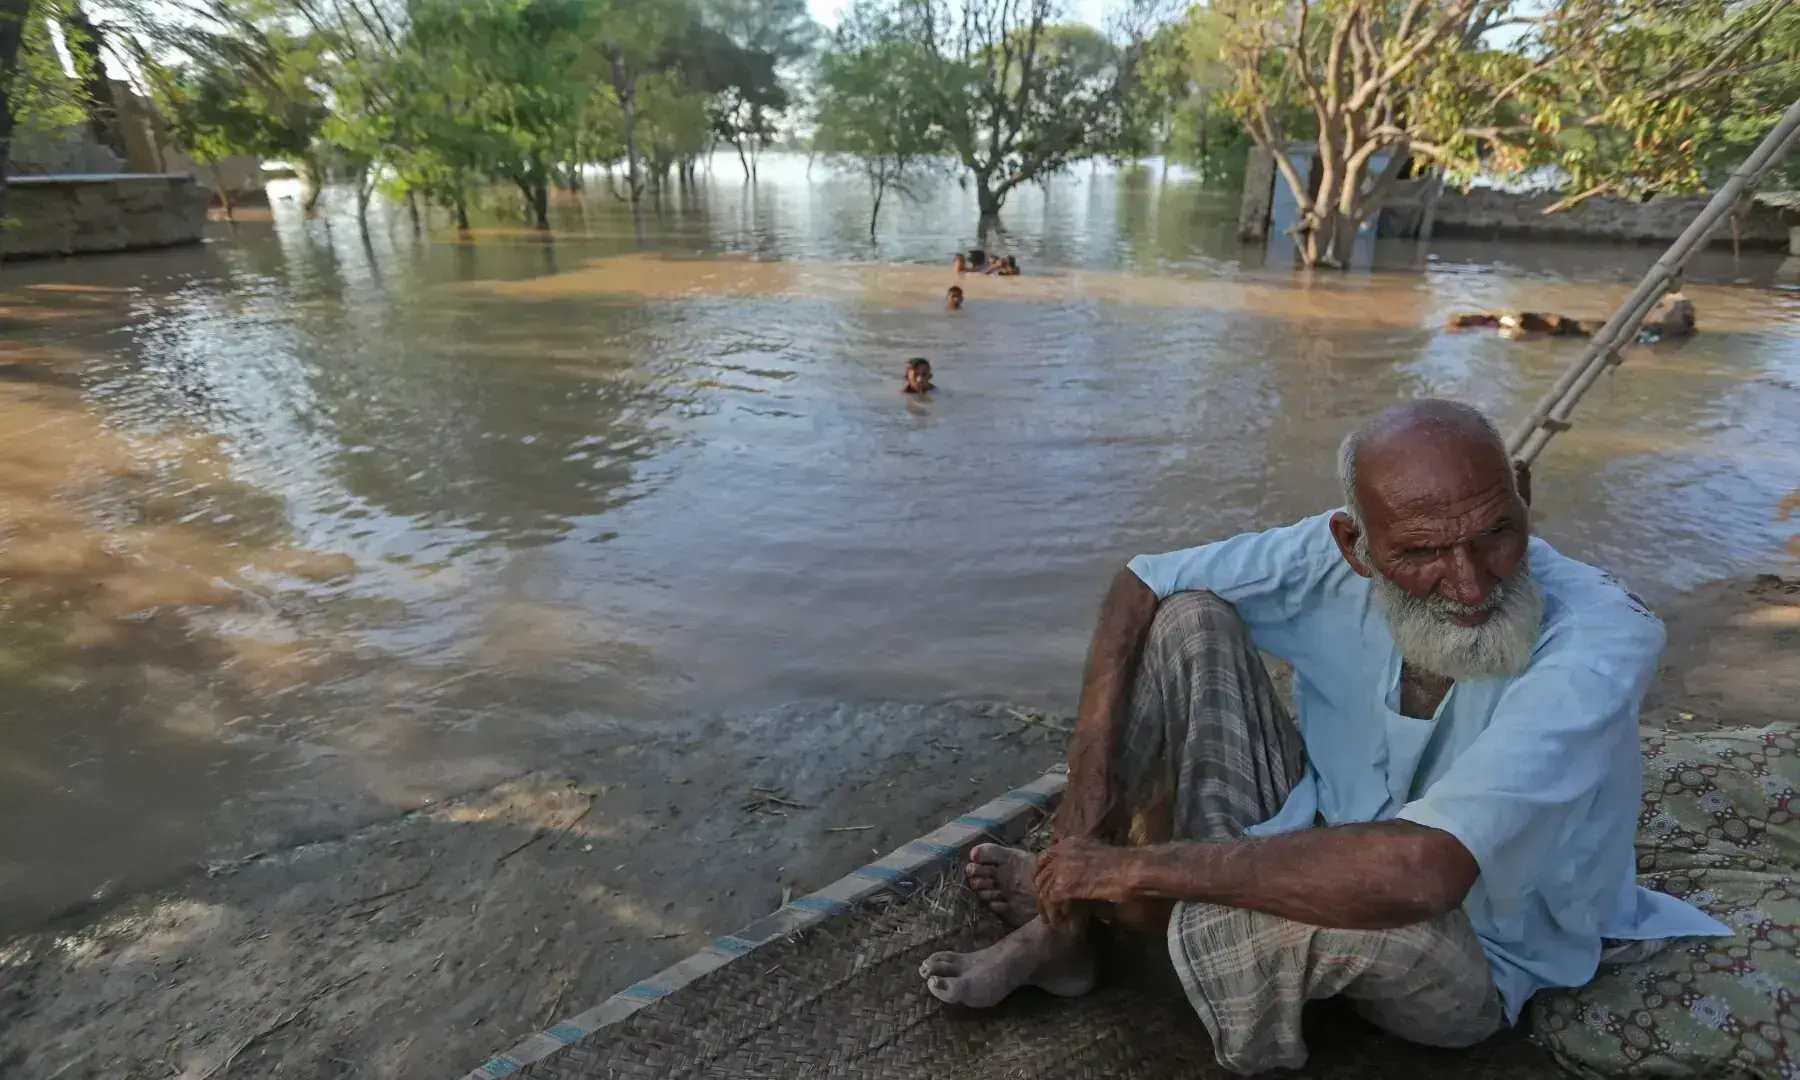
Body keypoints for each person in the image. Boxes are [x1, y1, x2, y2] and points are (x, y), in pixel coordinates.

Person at [919, 399, 1728, 1073]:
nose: (1470, 582)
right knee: (1189, 618)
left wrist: (1129, 867)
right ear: (1355, 546)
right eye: (1421, 553)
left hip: (1476, 949)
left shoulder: (1603, 634)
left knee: (1312, 904)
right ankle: (1067, 931)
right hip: (1319, 828)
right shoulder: (1328, 551)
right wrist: (1087, 790)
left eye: (1496, 533)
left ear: (1522, 491)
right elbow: (1143, 579)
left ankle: (1124, 919)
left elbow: (1423, 872)